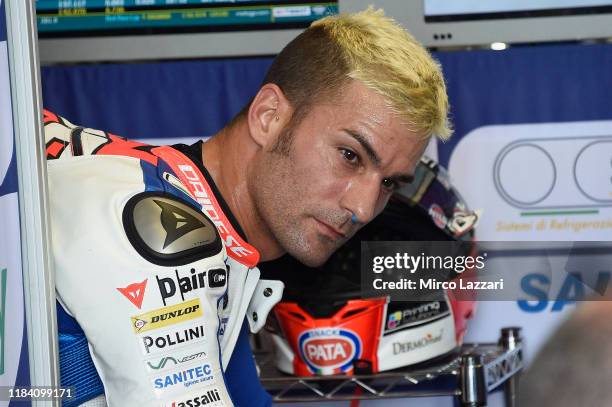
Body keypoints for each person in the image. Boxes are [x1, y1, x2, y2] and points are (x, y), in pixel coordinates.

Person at [44, 7, 451, 407]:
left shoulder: (217, 237)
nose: (363, 207)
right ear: (268, 116)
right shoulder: (159, 230)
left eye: (388, 183)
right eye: (349, 155)